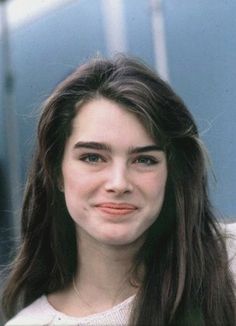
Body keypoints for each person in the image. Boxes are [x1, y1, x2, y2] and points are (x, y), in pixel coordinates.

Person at [1, 55, 236, 325]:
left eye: (144, 160)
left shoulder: (229, 262)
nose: (119, 183)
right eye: (92, 157)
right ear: (56, 172)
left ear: (170, 174)